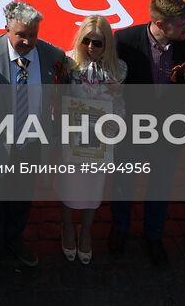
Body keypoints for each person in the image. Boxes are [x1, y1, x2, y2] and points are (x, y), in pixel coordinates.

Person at [0, 0, 68, 281]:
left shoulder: (52, 55)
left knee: (21, 198)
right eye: (21, 35)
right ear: (6, 29)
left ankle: (14, 240)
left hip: (31, 144)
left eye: (32, 35)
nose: (27, 41)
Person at [110, 0, 185, 266]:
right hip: (131, 128)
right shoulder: (125, 42)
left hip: (170, 130)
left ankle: (154, 235)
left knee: (161, 184)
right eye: (181, 23)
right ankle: (120, 228)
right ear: (161, 24)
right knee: (124, 181)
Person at [57, 15, 125, 264]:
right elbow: (57, 100)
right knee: (69, 186)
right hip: (72, 137)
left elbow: (120, 106)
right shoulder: (67, 63)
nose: (91, 48)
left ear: (107, 43)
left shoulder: (119, 69)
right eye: (87, 41)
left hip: (100, 140)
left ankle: (85, 231)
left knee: (94, 189)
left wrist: (114, 127)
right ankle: (66, 227)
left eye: (98, 43)